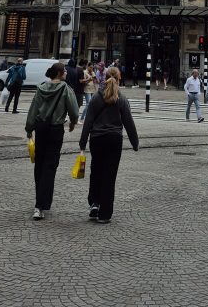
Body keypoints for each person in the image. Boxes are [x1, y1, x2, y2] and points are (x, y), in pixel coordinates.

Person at [79, 65, 139, 224]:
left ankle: (94, 203)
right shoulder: (121, 98)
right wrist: (135, 142)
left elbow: (88, 121)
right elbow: (129, 122)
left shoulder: (96, 97)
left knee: (96, 171)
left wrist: (82, 143)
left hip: (97, 139)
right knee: (109, 175)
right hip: (114, 139)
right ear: (119, 79)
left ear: (104, 78)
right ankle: (105, 214)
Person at [25, 61, 79, 220]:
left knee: (40, 164)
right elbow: (74, 110)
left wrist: (29, 129)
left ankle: (38, 203)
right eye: (65, 71)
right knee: (50, 166)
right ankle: (41, 205)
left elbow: (33, 109)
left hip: (41, 128)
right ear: (60, 74)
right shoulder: (65, 89)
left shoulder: (41, 88)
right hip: (55, 130)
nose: (67, 73)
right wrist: (73, 122)